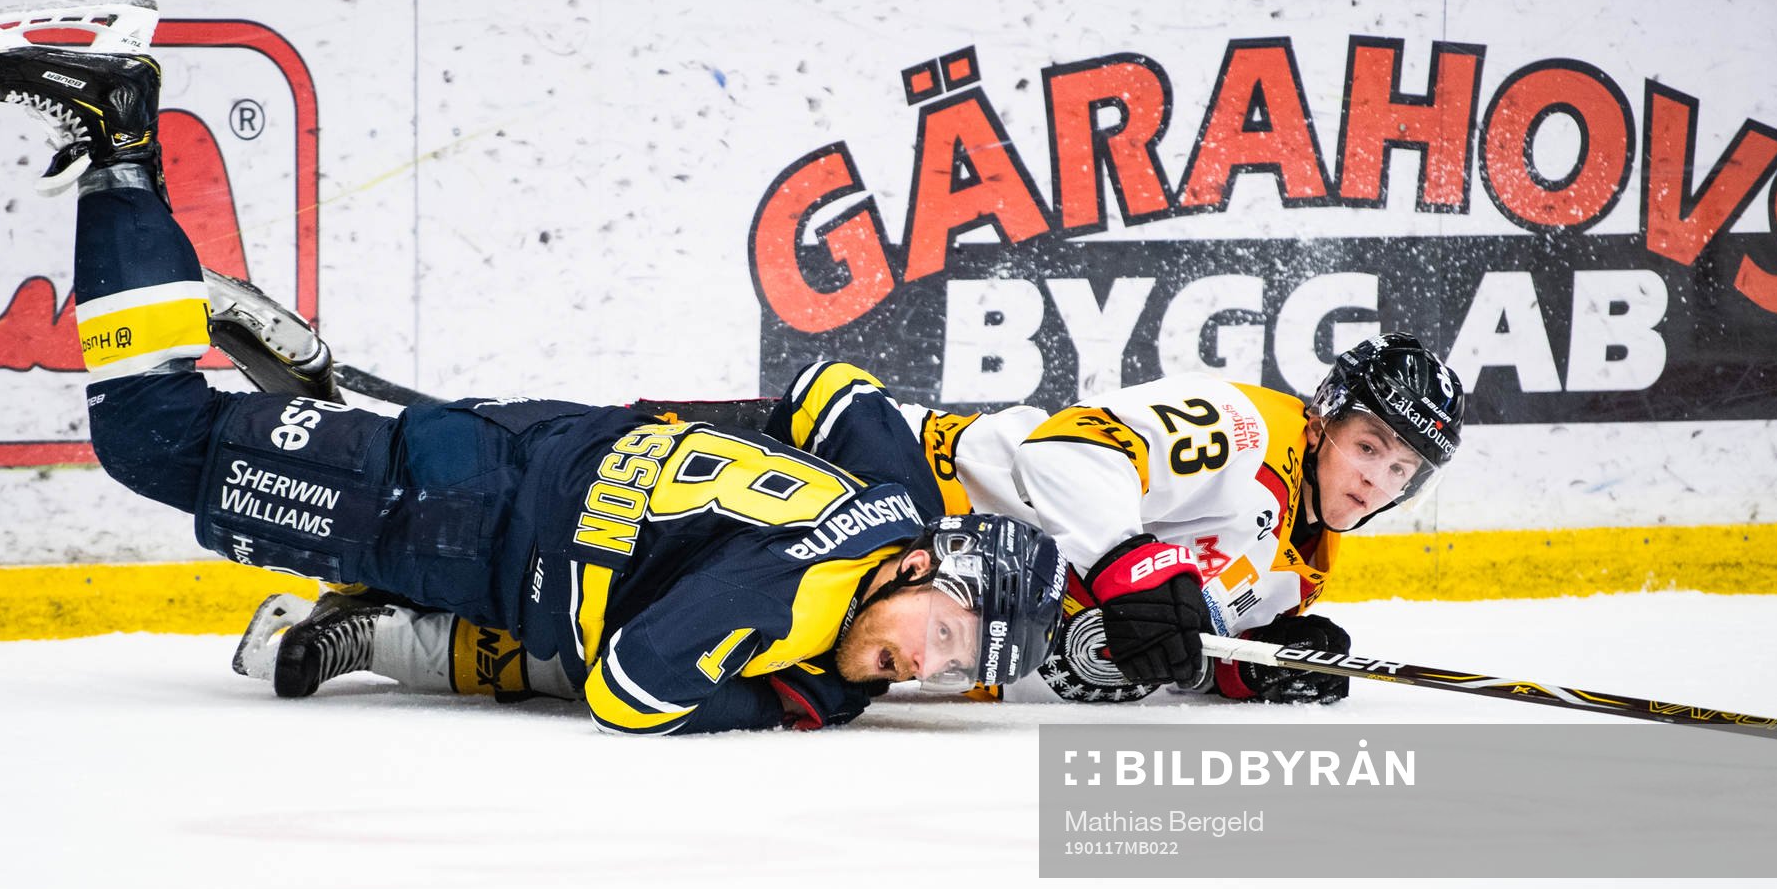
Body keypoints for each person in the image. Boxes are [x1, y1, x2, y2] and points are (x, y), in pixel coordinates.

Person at [0, 0, 1068, 734]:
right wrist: (803, 693)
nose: (922, 669)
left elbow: (838, 393)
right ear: (936, 566)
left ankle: (311, 403)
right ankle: (118, 130)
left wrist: (685, 441)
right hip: (451, 508)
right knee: (155, 441)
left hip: (516, 464)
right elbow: (636, 689)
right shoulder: (799, 599)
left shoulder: (899, 505)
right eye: (950, 636)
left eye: (959, 673)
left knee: (495, 603)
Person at [219, 334, 1462, 711]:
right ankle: (350, 413)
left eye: (1401, 470)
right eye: (1368, 446)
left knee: (676, 649)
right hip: (876, 495)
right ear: (1326, 416)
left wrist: (1242, 672)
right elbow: (1065, 452)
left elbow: (1123, 643)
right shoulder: (1247, 429)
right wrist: (1137, 568)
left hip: (947, 613)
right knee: (597, 564)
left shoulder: (1291, 558)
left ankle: (378, 631)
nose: (1374, 479)